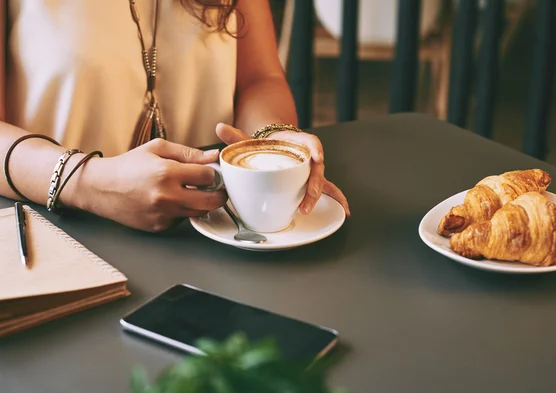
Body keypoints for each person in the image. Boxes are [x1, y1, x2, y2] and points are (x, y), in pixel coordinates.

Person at [0, 0, 349, 232]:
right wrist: (87, 184)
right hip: (61, 234)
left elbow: (260, 80)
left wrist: (272, 142)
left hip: (222, 234)